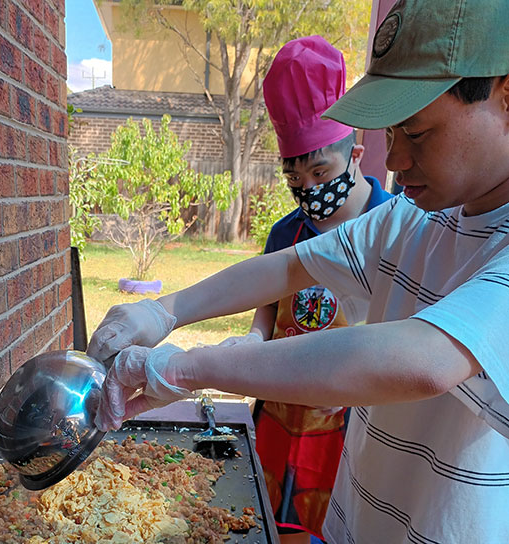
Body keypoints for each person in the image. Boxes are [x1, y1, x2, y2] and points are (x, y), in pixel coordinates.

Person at [87, 0, 509, 541]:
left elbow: (422, 360)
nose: (396, 158)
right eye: (392, 132)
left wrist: (189, 369)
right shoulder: (414, 217)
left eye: (417, 132)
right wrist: (164, 310)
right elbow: (290, 266)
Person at [235, 36, 393, 544]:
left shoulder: (391, 225)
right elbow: (267, 308)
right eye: (294, 178)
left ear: (356, 155)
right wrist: (255, 341)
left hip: (352, 426)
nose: (308, 187)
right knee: (270, 524)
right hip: (279, 417)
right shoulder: (286, 234)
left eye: (320, 171)